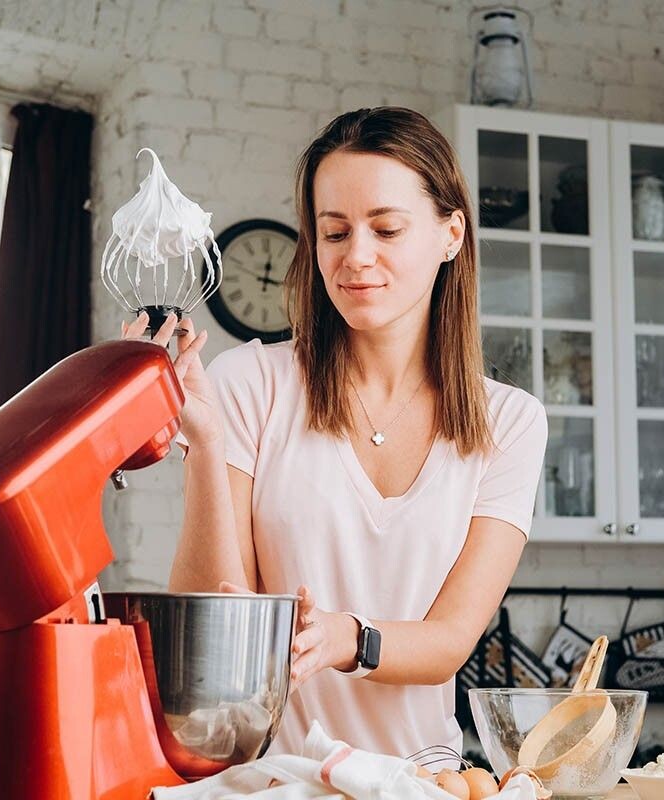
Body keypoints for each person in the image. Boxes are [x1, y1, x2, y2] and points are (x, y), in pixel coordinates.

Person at [122, 107, 547, 758]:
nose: (356, 257)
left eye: (386, 229)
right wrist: (204, 446)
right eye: (335, 232)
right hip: (269, 782)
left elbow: (450, 641)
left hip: (424, 782)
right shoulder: (250, 382)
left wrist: (349, 637)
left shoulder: (509, 423)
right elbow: (216, 617)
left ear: (450, 234)